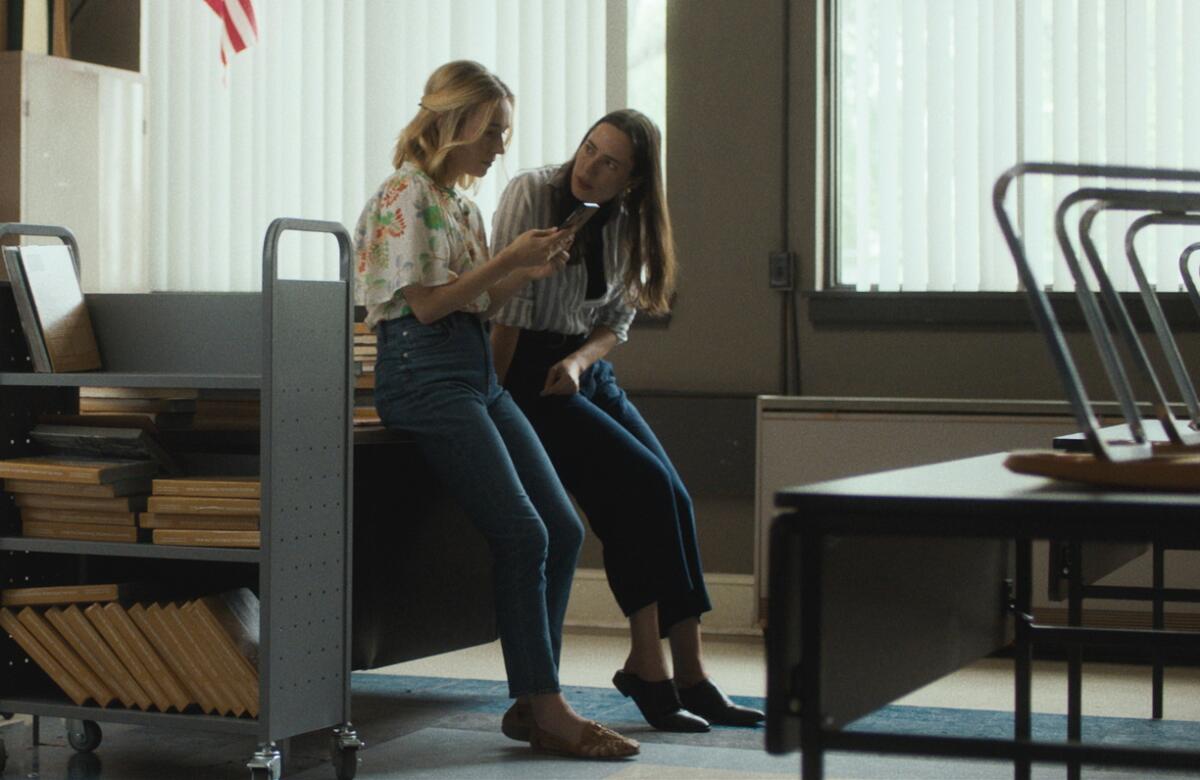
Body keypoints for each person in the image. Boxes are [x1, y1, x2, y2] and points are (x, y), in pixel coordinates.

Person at [353, 61, 639, 759]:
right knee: (523, 533)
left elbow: (477, 304)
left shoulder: (461, 206)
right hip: (422, 376)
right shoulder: (403, 195)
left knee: (562, 531)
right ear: (457, 123)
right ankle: (545, 705)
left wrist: (524, 270)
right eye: (495, 131)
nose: (502, 146)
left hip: (472, 371)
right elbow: (424, 304)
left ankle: (530, 703)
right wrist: (505, 259)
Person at [489, 109, 765, 733]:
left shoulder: (630, 221)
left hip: (581, 368)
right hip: (528, 371)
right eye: (589, 149)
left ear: (633, 180)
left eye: (609, 162)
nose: (590, 167)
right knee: (636, 490)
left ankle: (690, 674)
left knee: (672, 493)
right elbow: (508, 306)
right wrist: (492, 399)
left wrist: (584, 363)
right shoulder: (532, 192)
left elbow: (618, 319)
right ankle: (648, 666)